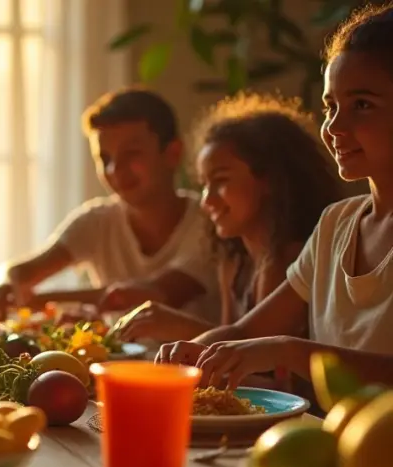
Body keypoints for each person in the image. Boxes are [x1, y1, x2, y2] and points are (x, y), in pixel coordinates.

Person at [156, 4, 393, 389]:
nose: (334, 126)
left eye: (361, 105)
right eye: (331, 106)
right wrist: (191, 353)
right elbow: (248, 330)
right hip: (321, 444)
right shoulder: (336, 223)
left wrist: (290, 351)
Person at [115, 92, 342, 347]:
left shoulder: (292, 260)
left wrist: (182, 327)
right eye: (204, 185)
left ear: (269, 180)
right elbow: (230, 356)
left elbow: (266, 366)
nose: (206, 200)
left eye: (221, 180)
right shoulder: (233, 263)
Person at [0, 88, 218, 322]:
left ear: (173, 154)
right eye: (105, 159)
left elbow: (153, 294)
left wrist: (34, 300)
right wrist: (4, 284)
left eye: (131, 154)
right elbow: (21, 271)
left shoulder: (210, 219)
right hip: (115, 363)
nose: (115, 170)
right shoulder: (98, 220)